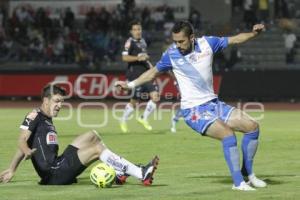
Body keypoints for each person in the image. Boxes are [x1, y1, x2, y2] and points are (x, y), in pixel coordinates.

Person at [115, 21, 267, 191]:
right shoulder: (171, 54)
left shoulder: (208, 43)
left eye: (181, 41)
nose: (177, 45)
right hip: (193, 111)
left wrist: (254, 34)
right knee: (228, 135)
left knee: (252, 127)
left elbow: (235, 40)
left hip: (213, 104)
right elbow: (151, 73)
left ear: (192, 37)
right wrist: (129, 85)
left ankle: (248, 175)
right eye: (175, 41)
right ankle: (238, 183)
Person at [0, 84, 159, 185]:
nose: (60, 105)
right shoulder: (34, 115)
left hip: (58, 164)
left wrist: (12, 169)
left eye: (62, 101)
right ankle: (140, 174)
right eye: (56, 101)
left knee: (92, 135)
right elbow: (22, 140)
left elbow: (28, 143)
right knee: (97, 149)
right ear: (46, 100)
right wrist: (25, 153)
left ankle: (119, 172)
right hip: (54, 174)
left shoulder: (46, 119)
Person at [120, 20, 159, 133]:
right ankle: (123, 120)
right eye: (135, 30)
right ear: (131, 31)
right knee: (134, 103)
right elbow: (124, 58)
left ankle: (143, 118)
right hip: (135, 76)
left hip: (146, 74)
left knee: (155, 96)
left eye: (139, 29)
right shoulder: (129, 42)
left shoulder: (143, 42)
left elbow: (144, 57)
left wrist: (151, 67)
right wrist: (138, 58)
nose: (138, 32)